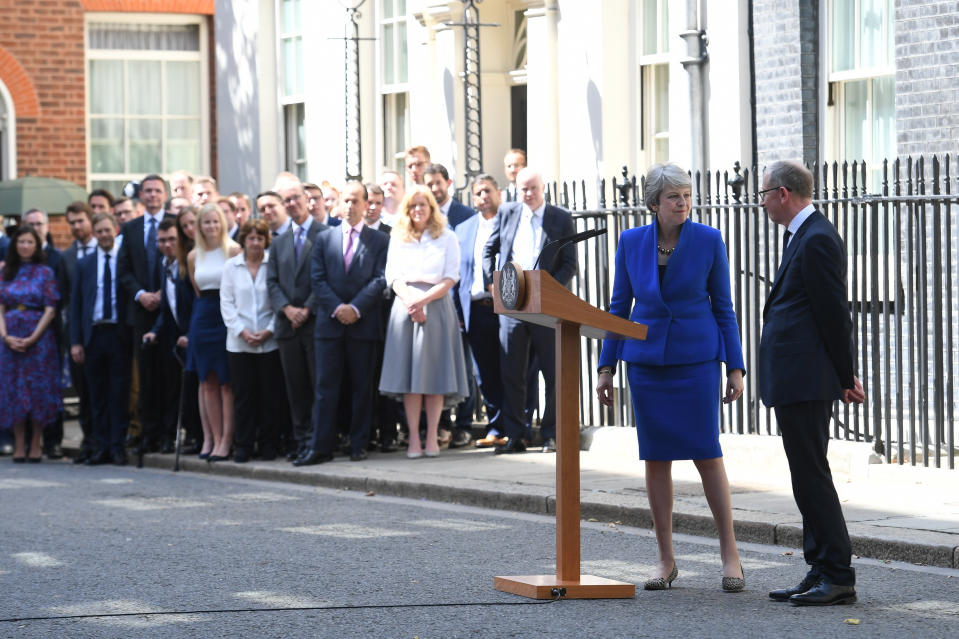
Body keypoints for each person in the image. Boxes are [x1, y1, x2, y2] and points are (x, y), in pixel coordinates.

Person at [595, 162, 746, 592]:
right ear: (654, 204)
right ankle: (665, 559)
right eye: (673, 197)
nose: (682, 203)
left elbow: (724, 308)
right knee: (656, 457)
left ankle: (730, 554)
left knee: (706, 453)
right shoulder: (630, 242)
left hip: (696, 362)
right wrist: (607, 366)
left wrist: (734, 366)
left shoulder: (709, 240)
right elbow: (618, 306)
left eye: (686, 195)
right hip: (645, 364)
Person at [759, 160, 865, 606]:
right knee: (805, 476)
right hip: (797, 377)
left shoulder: (818, 237)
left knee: (812, 476)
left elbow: (833, 313)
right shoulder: (803, 235)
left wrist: (846, 374)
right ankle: (819, 566)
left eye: (763, 194)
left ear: (783, 193)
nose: (761, 202)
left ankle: (837, 572)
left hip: (808, 378)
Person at [482, 167, 577, 454]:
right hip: (513, 303)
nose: (528, 194)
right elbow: (489, 250)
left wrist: (548, 290)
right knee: (512, 371)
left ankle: (551, 433)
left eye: (533, 188)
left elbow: (569, 264)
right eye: (523, 189)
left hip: (547, 305)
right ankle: (516, 434)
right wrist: (492, 284)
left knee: (552, 371)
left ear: (543, 187)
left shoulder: (561, 218)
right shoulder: (509, 212)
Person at [295, 182, 388, 466]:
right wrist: (338, 308)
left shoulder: (380, 240)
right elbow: (318, 279)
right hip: (330, 326)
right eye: (345, 200)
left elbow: (380, 278)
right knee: (325, 388)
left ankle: (358, 444)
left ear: (365, 204)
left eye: (355, 201)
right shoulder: (324, 239)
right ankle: (321, 447)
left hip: (363, 325)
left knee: (362, 387)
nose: (349, 206)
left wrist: (356, 308)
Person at [379, 186, 469, 458]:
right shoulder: (398, 237)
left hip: (437, 308)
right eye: (413, 205)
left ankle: (432, 436)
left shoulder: (447, 237)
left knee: (434, 376)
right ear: (407, 209)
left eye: (424, 205)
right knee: (410, 378)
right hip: (404, 308)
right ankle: (413, 441)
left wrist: (423, 301)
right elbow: (392, 275)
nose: (418, 210)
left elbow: (451, 277)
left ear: (432, 208)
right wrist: (410, 301)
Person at [267, 175, 324, 462]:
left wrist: (308, 309)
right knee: (295, 388)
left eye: (296, 198)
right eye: (286, 200)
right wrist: (287, 309)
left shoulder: (324, 234)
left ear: (307, 200)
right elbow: (272, 282)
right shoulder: (277, 242)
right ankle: (301, 440)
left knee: (317, 386)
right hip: (287, 327)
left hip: (315, 326)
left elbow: (325, 278)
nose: (292, 204)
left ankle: (318, 440)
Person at [220, 219, 285, 463]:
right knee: (244, 397)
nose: (255, 243)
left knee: (270, 396)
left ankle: (269, 445)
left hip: (270, 341)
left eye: (260, 238)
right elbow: (226, 303)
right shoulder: (231, 267)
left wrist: (269, 330)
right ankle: (244, 445)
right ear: (244, 241)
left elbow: (279, 298)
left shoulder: (272, 264)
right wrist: (242, 331)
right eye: (251, 238)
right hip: (239, 343)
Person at [70, 213, 130, 466]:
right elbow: (75, 305)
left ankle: (117, 447)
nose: (105, 235)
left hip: (118, 334)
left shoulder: (125, 260)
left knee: (118, 393)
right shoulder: (85, 264)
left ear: (115, 229)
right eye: (100, 231)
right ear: (94, 234)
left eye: (108, 230)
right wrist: (76, 341)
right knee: (97, 395)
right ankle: (100, 445)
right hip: (93, 335)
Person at [117, 174, 171, 454]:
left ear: (165, 194)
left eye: (157, 191)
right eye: (147, 191)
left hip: (171, 310)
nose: (151, 196)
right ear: (141, 195)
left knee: (167, 373)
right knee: (145, 376)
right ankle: (148, 433)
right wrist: (142, 294)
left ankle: (167, 433)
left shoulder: (174, 223)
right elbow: (123, 270)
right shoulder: (130, 228)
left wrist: (164, 293)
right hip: (141, 312)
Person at [0, 226, 61, 462]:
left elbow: (51, 307)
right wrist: (5, 336)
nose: (25, 246)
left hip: (39, 340)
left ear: (37, 245)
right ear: (15, 245)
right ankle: (18, 443)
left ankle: (36, 442)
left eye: (29, 242)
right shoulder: (6, 272)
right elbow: (1, 306)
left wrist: (34, 336)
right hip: (10, 339)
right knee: (14, 390)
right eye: (21, 242)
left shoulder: (45, 272)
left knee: (37, 390)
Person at [186, 203, 241, 461]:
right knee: (207, 381)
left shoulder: (233, 250)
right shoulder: (193, 256)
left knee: (226, 382)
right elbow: (197, 291)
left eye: (215, 221)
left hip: (226, 317)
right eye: (206, 222)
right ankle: (214, 438)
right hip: (202, 318)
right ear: (199, 226)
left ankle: (226, 441)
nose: (211, 226)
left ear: (222, 223)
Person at [455, 175, 505, 447]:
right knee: (483, 374)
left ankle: (516, 426)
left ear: (498, 192)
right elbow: (457, 273)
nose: (483, 196)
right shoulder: (463, 228)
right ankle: (496, 428)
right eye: (478, 193)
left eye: (488, 191)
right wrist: (459, 313)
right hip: (475, 309)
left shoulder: (510, 221)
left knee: (512, 368)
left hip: (506, 309)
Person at [141, 219, 187, 453]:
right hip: (170, 334)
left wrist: (190, 333)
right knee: (167, 386)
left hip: (190, 333)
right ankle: (166, 435)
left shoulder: (187, 263)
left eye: (171, 239)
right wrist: (155, 331)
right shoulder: (163, 264)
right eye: (162, 240)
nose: (167, 244)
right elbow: (167, 308)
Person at [61, 202, 99, 463]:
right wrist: (74, 340)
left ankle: (105, 440)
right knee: (84, 392)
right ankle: (89, 440)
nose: (76, 227)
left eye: (80, 221)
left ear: (90, 220)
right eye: (71, 222)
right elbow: (67, 302)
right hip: (78, 335)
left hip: (103, 332)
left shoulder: (109, 249)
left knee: (103, 392)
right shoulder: (67, 257)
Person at [423, 163, 475, 229]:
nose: (434, 189)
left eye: (438, 183)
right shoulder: (422, 216)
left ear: (448, 183)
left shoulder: (467, 215)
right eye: (429, 184)